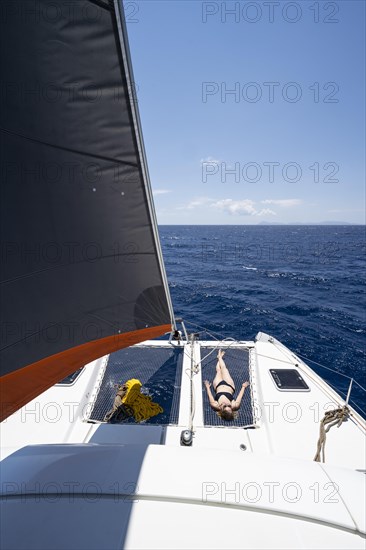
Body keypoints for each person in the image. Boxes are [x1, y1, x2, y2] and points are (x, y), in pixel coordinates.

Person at [204, 349, 249, 421]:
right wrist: (243, 387)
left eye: (225, 406)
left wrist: (207, 387)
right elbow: (239, 396)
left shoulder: (215, 405)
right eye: (229, 406)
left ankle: (219, 357)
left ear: (221, 410)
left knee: (218, 371)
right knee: (224, 369)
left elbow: (210, 396)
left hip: (218, 386)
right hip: (229, 385)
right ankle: (219, 357)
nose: (226, 404)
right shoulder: (235, 406)